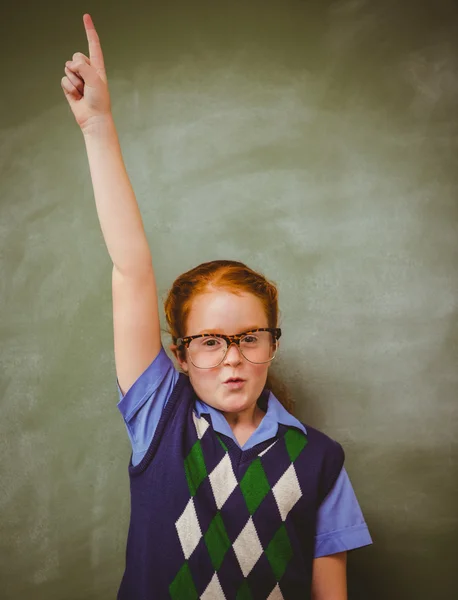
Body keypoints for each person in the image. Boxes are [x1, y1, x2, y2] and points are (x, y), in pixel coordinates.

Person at [62, 14, 373, 600]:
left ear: (272, 344)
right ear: (178, 354)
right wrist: (98, 126)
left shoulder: (321, 460)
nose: (232, 358)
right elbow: (132, 272)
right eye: (208, 341)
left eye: (249, 337)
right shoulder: (160, 419)